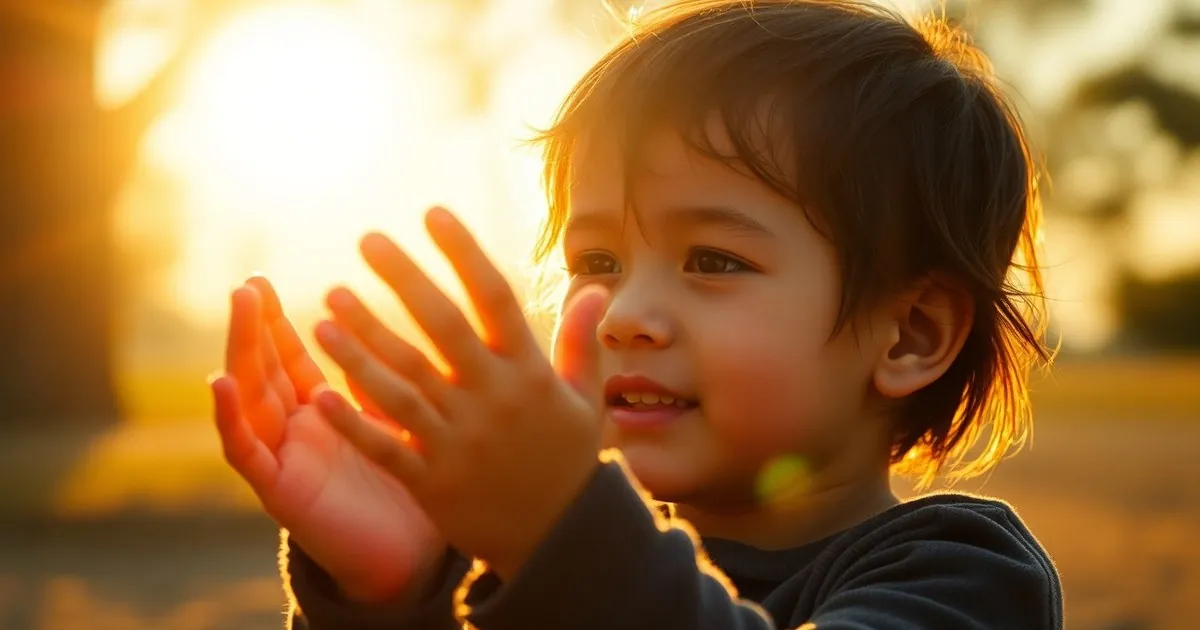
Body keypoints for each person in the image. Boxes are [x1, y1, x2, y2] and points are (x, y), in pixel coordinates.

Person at [210, 1, 1064, 628]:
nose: (624, 314)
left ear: (910, 333)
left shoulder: (966, 578)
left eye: (713, 261)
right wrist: (399, 592)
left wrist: (560, 532)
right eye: (597, 263)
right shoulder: (530, 567)